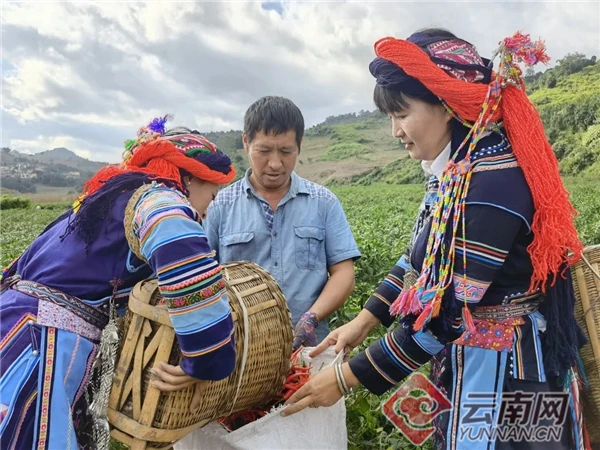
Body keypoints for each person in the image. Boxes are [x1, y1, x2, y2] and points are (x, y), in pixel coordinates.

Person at [282, 29, 590, 450]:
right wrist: (362, 322)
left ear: (445, 106)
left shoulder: (492, 183)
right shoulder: (457, 169)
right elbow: (418, 263)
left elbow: (446, 316)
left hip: (516, 375)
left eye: (402, 114)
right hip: (470, 360)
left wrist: (345, 378)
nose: (394, 131)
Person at [0, 117, 238, 450]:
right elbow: (184, 258)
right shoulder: (158, 199)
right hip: (40, 344)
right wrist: (207, 359)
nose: (207, 211)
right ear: (188, 177)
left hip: (12, 325)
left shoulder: (111, 196)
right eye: (211, 197)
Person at [204, 96, 362, 350]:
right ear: (246, 142)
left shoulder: (324, 203)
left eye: (286, 151)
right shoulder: (220, 206)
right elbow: (202, 277)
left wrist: (311, 318)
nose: (275, 163)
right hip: (240, 352)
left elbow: (344, 274)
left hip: (309, 347)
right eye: (264, 151)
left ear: (299, 145)